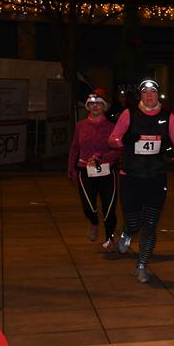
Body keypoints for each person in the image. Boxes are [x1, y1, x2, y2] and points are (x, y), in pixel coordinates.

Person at [108, 79, 174, 283]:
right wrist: (124, 140)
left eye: (153, 92)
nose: (149, 96)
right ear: (140, 95)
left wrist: (172, 151)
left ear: (158, 95)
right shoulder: (129, 114)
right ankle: (128, 231)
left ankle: (141, 266)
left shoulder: (168, 117)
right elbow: (112, 139)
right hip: (131, 177)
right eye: (145, 92)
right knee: (135, 222)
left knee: (150, 224)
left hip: (156, 177)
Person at [67, 88, 120, 251]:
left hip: (107, 171)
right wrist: (71, 167)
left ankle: (110, 238)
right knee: (88, 206)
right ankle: (94, 222)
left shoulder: (112, 127)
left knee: (109, 207)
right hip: (85, 170)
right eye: (92, 103)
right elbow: (74, 148)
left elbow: (118, 150)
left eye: (99, 103)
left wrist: (103, 158)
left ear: (104, 107)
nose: (95, 106)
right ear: (88, 107)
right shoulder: (80, 125)